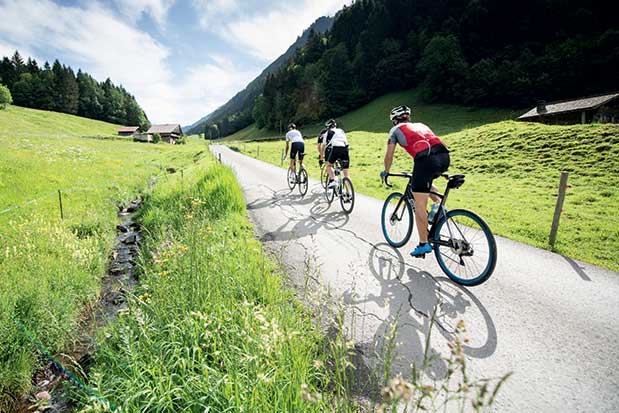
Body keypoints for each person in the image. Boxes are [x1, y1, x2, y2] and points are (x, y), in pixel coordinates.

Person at [380, 105, 450, 257]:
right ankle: (438, 206)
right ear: (408, 117)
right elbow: (440, 143)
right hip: (444, 157)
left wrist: (386, 171)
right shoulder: (421, 125)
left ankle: (423, 244)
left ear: (394, 120)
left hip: (425, 160)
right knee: (426, 185)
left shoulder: (395, 130)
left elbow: (389, 155)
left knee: (419, 203)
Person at [322, 119, 350, 189]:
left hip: (336, 149)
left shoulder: (328, 132)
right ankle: (349, 194)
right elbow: (346, 142)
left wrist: (322, 156)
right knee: (346, 174)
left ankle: (334, 180)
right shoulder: (341, 130)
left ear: (328, 127)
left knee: (328, 166)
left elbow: (324, 146)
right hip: (345, 150)